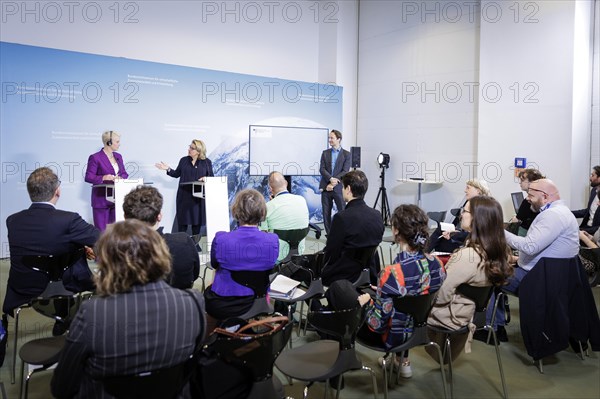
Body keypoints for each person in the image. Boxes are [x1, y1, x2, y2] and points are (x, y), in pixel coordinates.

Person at [51, 219, 206, 398]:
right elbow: (193, 365)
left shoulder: (92, 314)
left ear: (109, 263)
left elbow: (62, 387)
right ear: (161, 256)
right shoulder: (193, 303)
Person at [2, 167, 99, 335]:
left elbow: (44, 243)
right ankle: (73, 323)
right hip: (61, 288)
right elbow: (104, 239)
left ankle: (63, 319)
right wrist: (82, 245)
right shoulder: (69, 220)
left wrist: (79, 247)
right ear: (57, 191)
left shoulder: (13, 220)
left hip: (23, 286)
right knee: (105, 283)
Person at [357, 204, 445, 378]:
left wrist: (366, 303)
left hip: (395, 336)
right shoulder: (439, 265)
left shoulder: (391, 273)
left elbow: (377, 324)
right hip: (422, 329)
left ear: (396, 231)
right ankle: (403, 361)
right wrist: (386, 290)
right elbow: (419, 292)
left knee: (351, 296)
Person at [486, 179, 580, 336]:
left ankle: (493, 329)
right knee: (501, 269)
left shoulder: (552, 216)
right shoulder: (562, 212)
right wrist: (519, 259)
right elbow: (546, 249)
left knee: (491, 275)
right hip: (551, 277)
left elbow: (530, 246)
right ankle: (497, 326)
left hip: (538, 280)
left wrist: (498, 231)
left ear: (544, 196)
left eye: (530, 194)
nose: (527, 198)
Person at [428, 196, 513, 360]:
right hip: (473, 314)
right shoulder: (501, 252)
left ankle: (400, 361)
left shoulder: (467, 256)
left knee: (401, 302)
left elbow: (441, 295)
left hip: (450, 317)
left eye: (465, 211)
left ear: (477, 219)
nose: (461, 215)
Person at [204, 189, 279, 328]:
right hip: (258, 302)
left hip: (223, 304)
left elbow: (214, 264)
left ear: (236, 210)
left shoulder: (221, 239)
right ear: (262, 212)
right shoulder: (273, 240)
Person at [122, 185, 200, 289]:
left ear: (125, 218)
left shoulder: (116, 250)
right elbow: (193, 275)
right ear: (159, 216)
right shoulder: (183, 242)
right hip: (180, 302)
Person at [321, 170, 385, 286]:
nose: (341, 190)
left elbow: (331, 252)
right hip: (369, 273)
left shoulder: (341, 218)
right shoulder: (377, 215)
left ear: (348, 189)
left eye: (343, 187)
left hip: (343, 275)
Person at [155, 139, 214, 236]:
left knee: (196, 221)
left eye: (192, 148)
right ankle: (182, 242)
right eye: (189, 147)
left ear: (198, 151)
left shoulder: (206, 162)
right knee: (183, 221)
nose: (189, 149)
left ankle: (195, 244)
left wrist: (205, 178)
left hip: (198, 197)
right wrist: (168, 169)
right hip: (184, 195)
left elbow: (211, 177)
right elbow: (176, 174)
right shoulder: (184, 160)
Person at [260, 171, 309, 262]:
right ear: (286, 183)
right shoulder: (302, 200)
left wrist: (272, 202)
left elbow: (263, 234)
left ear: (270, 188)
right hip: (299, 252)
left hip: (277, 256)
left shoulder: (267, 207)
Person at [85, 130, 129, 230]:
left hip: (116, 199)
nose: (119, 144)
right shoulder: (95, 157)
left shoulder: (118, 156)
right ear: (109, 143)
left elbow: (124, 173)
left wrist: (121, 178)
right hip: (101, 200)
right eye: (117, 142)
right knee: (102, 233)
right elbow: (88, 176)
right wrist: (103, 178)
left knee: (115, 232)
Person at [319, 129, 351, 236]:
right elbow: (322, 169)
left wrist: (333, 182)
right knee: (326, 213)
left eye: (332, 138)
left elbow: (345, 171)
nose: (329, 140)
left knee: (342, 212)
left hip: (339, 188)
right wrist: (330, 179)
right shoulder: (325, 153)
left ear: (339, 139)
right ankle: (329, 235)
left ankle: (343, 234)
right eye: (329, 138)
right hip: (326, 187)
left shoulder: (347, 154)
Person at [572, 165, 600, 234]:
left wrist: (581, 231)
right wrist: (568, 212)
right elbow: (587, 211)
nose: (590, 178)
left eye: (592, 175)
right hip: (586, 227)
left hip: (595, 232)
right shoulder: (593, 191)